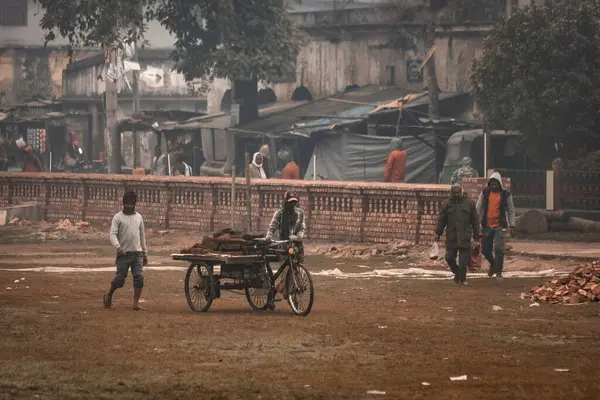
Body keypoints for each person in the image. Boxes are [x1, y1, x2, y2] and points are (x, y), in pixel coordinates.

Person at [103, 191, 148, 310]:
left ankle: (135, 304)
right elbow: (112, 234)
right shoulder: (118, 217)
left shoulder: (139, 217)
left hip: (137, 254)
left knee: (139, 278)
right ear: (123, 204)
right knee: (120, 280)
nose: (129, 206)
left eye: (131, 204)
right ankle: (109, 294)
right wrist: (118, 247)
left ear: (134, 204)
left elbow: (142, 236)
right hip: (124, 254)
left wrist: (145, 253)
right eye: (126, 204)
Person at [265, 190, 306, 309]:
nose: (292, 205)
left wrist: (298, 237)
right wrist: (268, 238)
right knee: (286, 274)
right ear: (285, 202)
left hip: (297, 246)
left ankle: (292, 295)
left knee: (298, 272)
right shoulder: (279, 214)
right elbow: (272, 227)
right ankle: (279, 295)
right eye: (290, 202)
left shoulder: (300, 213)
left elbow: (302, 227)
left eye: (294, 202)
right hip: (284, 247)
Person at [434, 183, 481, 285]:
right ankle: (457, 273)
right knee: (449, 257)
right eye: (454, 193)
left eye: (458, 192)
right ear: (451, 193)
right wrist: (438, 233)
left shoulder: (470, 204)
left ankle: (462, 280)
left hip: (465, 236)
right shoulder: (446, 204)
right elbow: (441, 220)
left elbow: (475, 221)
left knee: (463, 262)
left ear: (462, 192)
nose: (456, 194)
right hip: (452, 236)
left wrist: (477, 236)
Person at [476, 172, 516, 280]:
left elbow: (511, 210)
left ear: (499, 183)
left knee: (499, 249)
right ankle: (493, 264)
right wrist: (475, 222)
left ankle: (499, 272)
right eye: (491, 182)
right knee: (485, 250)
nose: (493, 184)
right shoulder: (485, 192)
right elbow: (478, 207)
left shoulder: (506, 194)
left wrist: (512, 225)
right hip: (487, 226)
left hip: (500, 225)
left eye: (495, 182)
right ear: (489, 183)